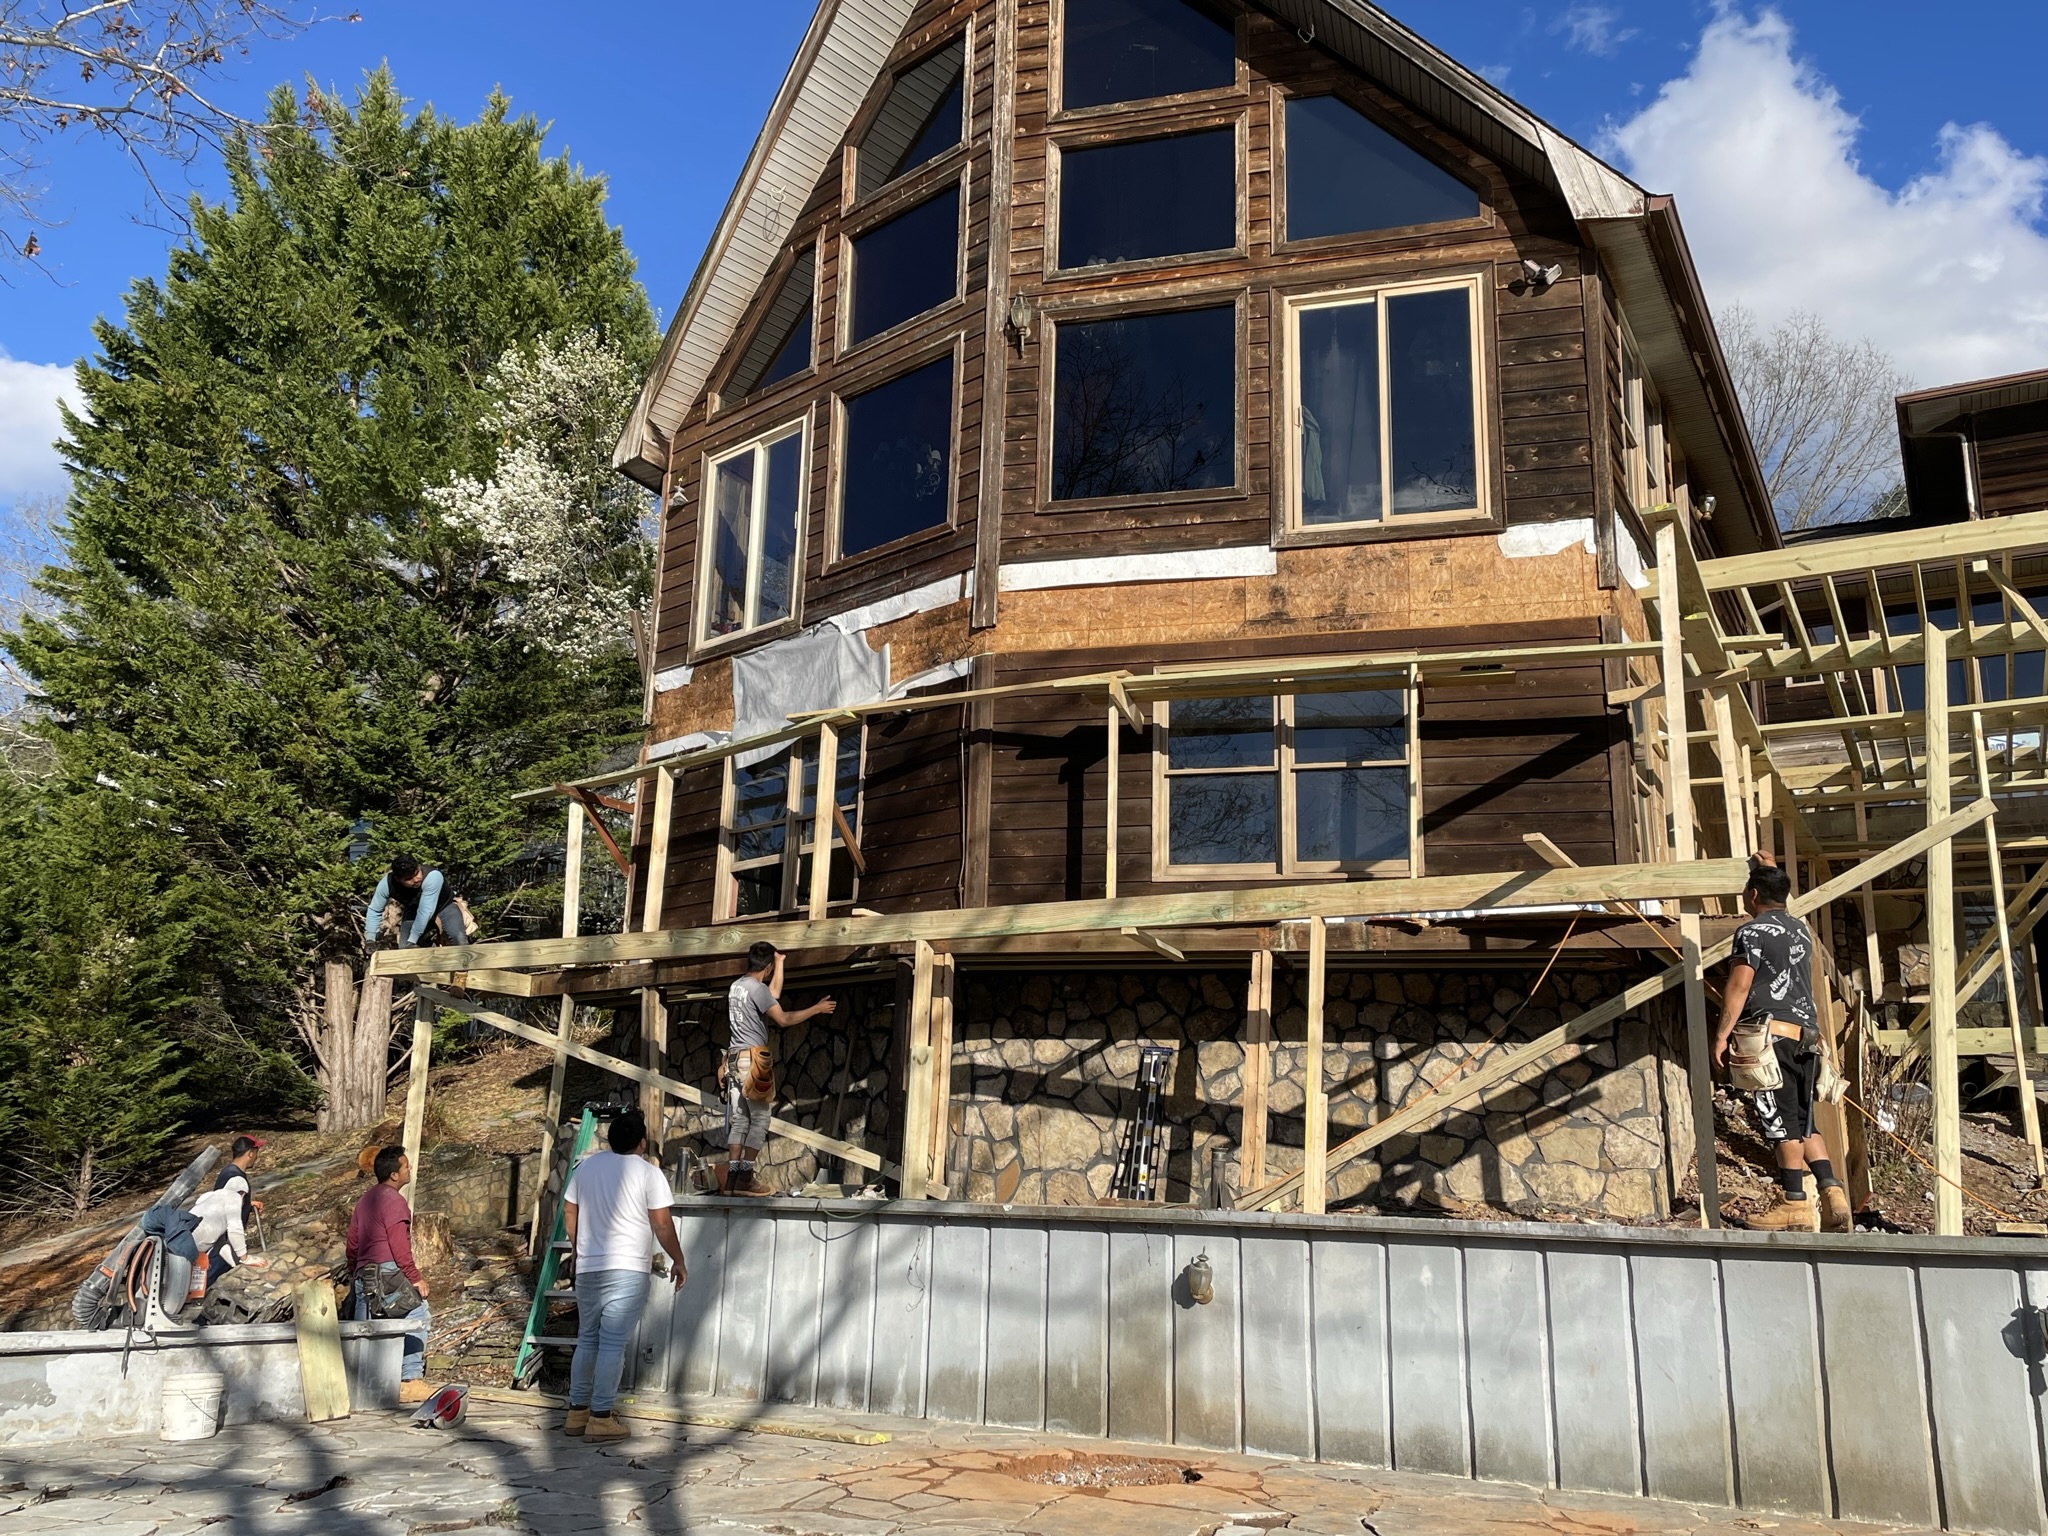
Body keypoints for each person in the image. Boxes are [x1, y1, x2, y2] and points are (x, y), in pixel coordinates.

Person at [1713, 855, 1851, 1233]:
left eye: (1746, 890)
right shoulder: (1800, 930)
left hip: (1771, 1036)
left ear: (1753, 894)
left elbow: (1740, 985)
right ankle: (1832, 1192)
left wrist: (1723, 1034)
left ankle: (1793, 1203)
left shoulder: (1751, 932)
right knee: (1804, 1120)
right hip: (1807, 1036)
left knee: (1780, 1122)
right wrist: (1770, 866)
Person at [561, 1109, 686, 1442]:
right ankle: (601, 1417)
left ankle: (577, 1414)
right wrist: (678, 1259)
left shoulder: (586, 1168)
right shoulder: (648, 1173)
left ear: (611, 1139)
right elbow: (661, 1223)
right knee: (612, 1344)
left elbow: (569, 1209)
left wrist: (577, 1247)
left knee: (587, 1338)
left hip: (588, 1266)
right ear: (642, 1142)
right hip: (627, 1267)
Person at [721, 942, 836, 1194]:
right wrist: (816, 1009)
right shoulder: (757, 989)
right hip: (753, 1060)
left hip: (733, 1058)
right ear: (768, 967)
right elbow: (783, 1019)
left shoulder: (737, 986)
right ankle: (746, 1177)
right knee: (760, 1120)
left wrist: (780, 962)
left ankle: (731, 1181)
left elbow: (772, 995)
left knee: (740, 1121)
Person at [346, 1145, 435, 1403]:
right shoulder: (395, 1201)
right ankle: (409, 1380)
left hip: (365, 1275)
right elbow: (399, 1243)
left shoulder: (364, 1201)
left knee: (366, 1329)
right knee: (418, 1313)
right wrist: (415, 1277)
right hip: (389, 1273)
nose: (410, 1169)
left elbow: (352, 1243)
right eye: (406, 1166)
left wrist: (355, 1273)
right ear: (394, 1175)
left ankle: (364, 1383)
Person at [189, 1139, 268, 1295]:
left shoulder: (227, 1172)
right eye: (256, 1153)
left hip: (216, 1238)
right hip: (221, 1240)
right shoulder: (237, 1180)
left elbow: (222, 1202)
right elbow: (232, 1221)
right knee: (211, 1279)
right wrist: (244, 1257)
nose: (256, 1157)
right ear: (250, 1153)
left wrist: (247, 1204)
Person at [365, 854, 469, 949]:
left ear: (418, 867)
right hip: (414, 910)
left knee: (459, 938)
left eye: (417, 873)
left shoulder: (432, 876)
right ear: (398, 880)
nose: (416, 879)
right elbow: (374, 910)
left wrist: (412, 940)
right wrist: (370, 939)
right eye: (409, 878)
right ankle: (431, 950)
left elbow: (425, 911)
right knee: (405, 947)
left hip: (444, 907)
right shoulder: (386, 884)